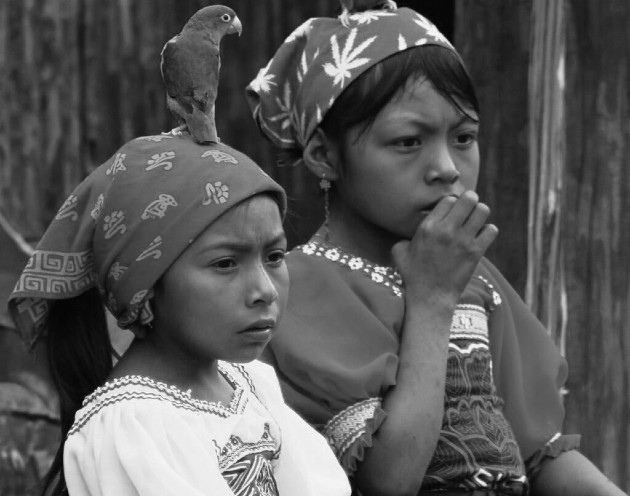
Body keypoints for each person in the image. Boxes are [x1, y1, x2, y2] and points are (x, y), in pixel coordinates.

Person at [245, 4, 627, 496]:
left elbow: (540, 455)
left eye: (464, 137)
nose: (446, 167)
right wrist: (431, 300)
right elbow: (389, 479)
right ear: (324, 156)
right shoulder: (299, 290)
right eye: (408, 142)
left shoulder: (477, 279)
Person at [8, 132, 351, 496]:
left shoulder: (248, 382)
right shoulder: (132, 427)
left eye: (275, 257)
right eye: (225, 263)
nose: (265, 290)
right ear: (147, 286)